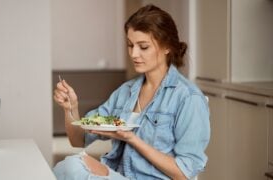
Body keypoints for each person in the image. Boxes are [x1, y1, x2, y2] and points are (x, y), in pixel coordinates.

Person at [53, 4, 210, 180]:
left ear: (167, 47)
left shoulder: (189, 98)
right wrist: (71, 108)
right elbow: (78, 140)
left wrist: (132, 139)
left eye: (143, 47)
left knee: (72, 171)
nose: (134, 54)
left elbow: (184, 174)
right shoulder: (126, 91)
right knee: (67, 166)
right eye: (130, 45)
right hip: (120, 175)